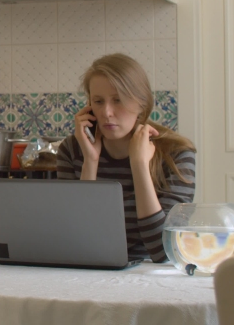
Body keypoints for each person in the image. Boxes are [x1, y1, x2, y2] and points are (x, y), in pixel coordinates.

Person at [57, 53, 196, 263]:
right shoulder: (73, 150)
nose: (107, 112)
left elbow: (163, 251)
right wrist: (90, 163)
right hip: (91, 270)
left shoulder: (176, 154)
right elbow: (76, 242)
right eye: (98, 101)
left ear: (141, 104)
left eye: (118, 100)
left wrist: (139, 165)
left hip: (152, 275)